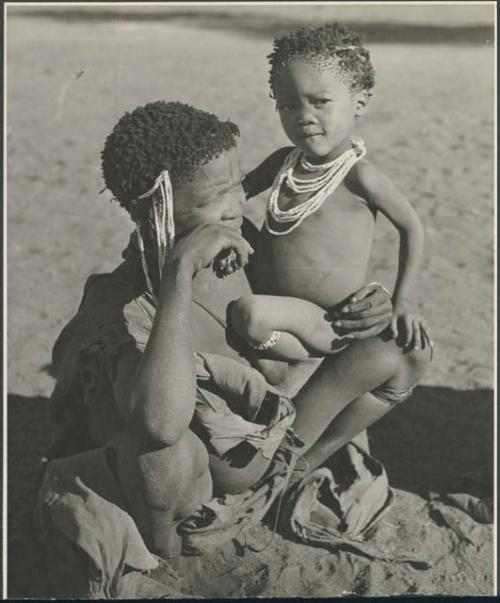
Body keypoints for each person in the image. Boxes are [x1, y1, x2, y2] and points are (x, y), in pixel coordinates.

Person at [42, 101, 411, 581]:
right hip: (199, 481)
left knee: (399, 351)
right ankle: (168, 559)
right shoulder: (119, 304)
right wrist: (178, 274)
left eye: (239, 184)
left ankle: (286, 485)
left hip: (274, 449)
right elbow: (158, 425)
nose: (240, 203)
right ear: (156, 209)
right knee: (162, 455)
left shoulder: (235, 247)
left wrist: (372, 303)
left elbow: (311, 301)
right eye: (219, 194)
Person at [228, 23, 432, 468]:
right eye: (287, 104)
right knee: (244, 273)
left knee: (250, 314)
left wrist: (403, 300)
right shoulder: (281, 164)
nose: (303, 115)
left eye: (320, 101)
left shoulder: (360, 176)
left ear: (359, 103)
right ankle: (287, 369)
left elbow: (413, 228)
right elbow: (233, 194)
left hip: (329, 323)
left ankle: (288, 370)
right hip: (289, 311)